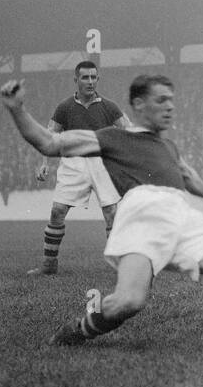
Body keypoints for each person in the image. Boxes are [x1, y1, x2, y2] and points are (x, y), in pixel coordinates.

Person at [0, 73, 203, 356]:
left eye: (171, 100)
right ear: (139, 104)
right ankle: (77, 330)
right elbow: (50, 143)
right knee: (129, 301)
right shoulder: (113, 137)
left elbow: (188, 177)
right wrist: (17, 109)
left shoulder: (168, 145)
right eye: (161, 100)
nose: (169, 106)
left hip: (181, 213)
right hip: (141, 213)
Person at [30, 60, 132, 275]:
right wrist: (44, 164)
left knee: (112, 213)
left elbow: (129, 130)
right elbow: (50, 136)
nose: (90, 81)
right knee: (57, 211)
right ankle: (49, 265)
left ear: (98, 79)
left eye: (93, 77)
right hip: (73, 162)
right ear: (75, 80)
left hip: (102, 163)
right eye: (85, 77)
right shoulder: (65, 107)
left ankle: (122, 267)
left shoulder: (109, 106)